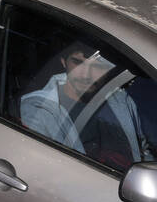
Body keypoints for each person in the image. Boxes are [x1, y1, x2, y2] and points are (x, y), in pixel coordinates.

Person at [20, 40, 154, 171]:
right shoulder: (39, 107)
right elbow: (43, 167)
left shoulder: (121, 100)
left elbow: (141, 150)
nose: (86, 75)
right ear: (63, 62)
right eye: (77, 62)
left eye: (97, 66)